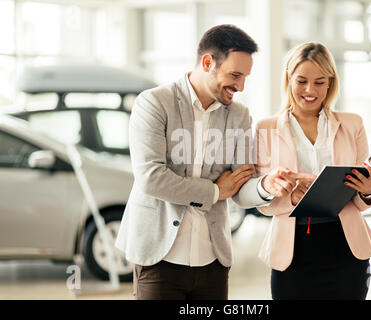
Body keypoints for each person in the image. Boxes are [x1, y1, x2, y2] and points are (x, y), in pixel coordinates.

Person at [115, 24, 306, 300]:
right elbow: (151, 178)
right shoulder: (154, 103)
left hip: (212, 261)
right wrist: (215, 191)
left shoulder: (240, 116)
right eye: (235, 75)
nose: (240, 86)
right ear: (208, 62)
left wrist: (266, 185)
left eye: (245, 77)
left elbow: (240, 189)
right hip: (158, 257)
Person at [255, 42, 371, 300]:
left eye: (319, 82)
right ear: (288, 78)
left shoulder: (352, 124)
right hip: (292, 252)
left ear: (330, 83)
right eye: (301, 80)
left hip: (346, 248)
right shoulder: (265, 128)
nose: (309, 90)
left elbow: (360, 202)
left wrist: (369, 190)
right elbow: (262, 204)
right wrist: (291, 196)